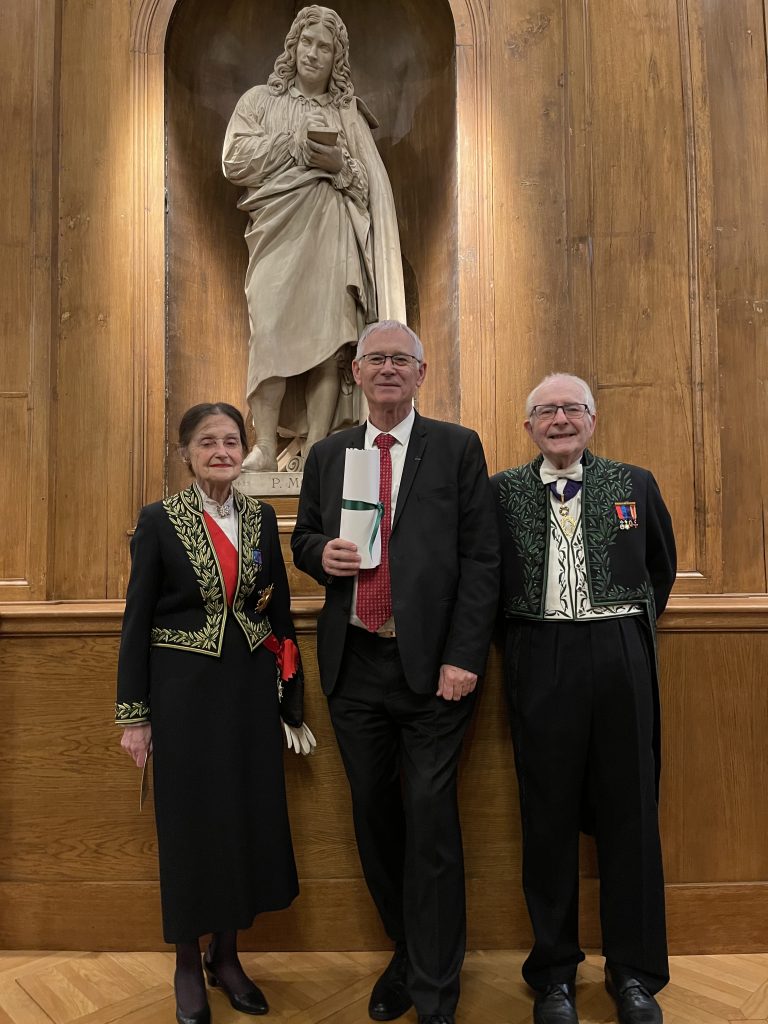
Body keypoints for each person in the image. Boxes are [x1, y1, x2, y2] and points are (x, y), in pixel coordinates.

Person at [291, 320, 499, 1024]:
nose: (387, 369)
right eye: (374, 359)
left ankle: (437, 992)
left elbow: (481, 561)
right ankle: (408, 951)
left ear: (421, 372)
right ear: (354, 372)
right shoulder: (328, 453)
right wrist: (322, 556)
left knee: (431, 819)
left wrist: (464, 657)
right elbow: (305, 538)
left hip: (436, 672)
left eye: (399, 360)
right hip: (354, 668)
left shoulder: (457, 448)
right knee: (375, 818)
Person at [116, 402, 315, 1024]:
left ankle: (227, 956)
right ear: (187, 453)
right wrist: (134, 715)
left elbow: (277, 611)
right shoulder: (159, 521)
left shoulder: (259, 518)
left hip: (249, 696)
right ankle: (186, 959)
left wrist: (292, 698)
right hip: (182, 698)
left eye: (232, 440)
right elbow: (135, 622)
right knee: (191, 826)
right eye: (208, 442)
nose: (221, 450)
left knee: (243, 821)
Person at [492, 374, 676, 1024]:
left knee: (631, 815)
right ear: (529, 427)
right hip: (539, 657)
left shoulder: (636, 483)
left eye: (573, 408)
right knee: (546, 822)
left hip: (620, 653)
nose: (561, 418)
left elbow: (662, 569)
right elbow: (484, 579)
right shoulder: (500, 492)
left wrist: (622, 633)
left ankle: (635, 975)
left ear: (593, 421)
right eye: (546, 410)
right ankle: (554, 977)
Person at [222, 6, 406, 472]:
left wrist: (340, 167)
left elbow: (369, 190)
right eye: (307, 42)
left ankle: (318, 449)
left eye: (324, 47)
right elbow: (234, 160)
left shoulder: (345, 113)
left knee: (329, 343)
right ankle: (264, 445)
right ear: (293, 46)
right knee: (270, 334)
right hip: (276, 234)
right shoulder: (258, 102)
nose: (313, 53)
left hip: (331, 234)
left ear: (335, 59)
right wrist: (293, 143)